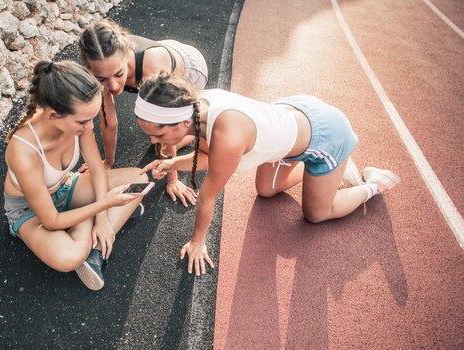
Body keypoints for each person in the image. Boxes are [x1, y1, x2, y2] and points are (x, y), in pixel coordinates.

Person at [135, 73, 400, 276]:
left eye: (158, 134)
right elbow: (207, 157)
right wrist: (172, 164)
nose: (154, 140)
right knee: (267, 191)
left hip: (326, 134)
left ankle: (373, 183)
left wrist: (197, 242)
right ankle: (331, 172)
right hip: (289, 123)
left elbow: (207, 196)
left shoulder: (228, 135)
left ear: (182, 123)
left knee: (317, 214)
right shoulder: (195, 107)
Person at [3, 60, 148, 290]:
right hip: (31, 212)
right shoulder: (22, 151)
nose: (90, 126)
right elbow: (50, 221)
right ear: (54, 116)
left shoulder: (78, 123)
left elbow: (98, 168)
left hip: (65, 188)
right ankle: (108, 216)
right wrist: (103, 206)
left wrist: (101, 218)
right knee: (68, 258)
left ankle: (94, 246)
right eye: (83, 121)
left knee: (139, 179)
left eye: (92, 117)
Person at [78, 19, 209, 207]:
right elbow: (109, 122)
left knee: (168, 136)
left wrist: (172, 178)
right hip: (165, 50)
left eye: (119, 74)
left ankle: (194, 135)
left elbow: (165, 122)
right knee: (159, 140)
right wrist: (107, 162)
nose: (113, 86)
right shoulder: (102, 65)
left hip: (191, 70)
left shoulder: (151, 70)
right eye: (102, 79)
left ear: (126, 57)